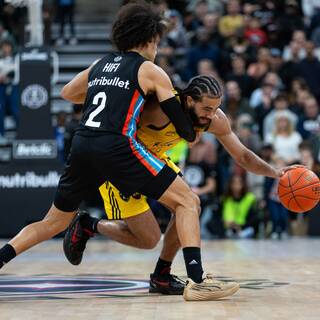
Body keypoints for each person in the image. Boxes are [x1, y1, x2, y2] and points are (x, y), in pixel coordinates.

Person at [0, 2, 239, 302]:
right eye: (157, 41)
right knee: (187, 201)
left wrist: (111, 89)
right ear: (150, 39)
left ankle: (2, 258)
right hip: (116, 145)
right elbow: (183, 127)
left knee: (52, 222)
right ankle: (198, 279)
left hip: (83, 142)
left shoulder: (101, 63)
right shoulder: (150, 70)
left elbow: (67, 93)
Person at [63, 74, 300, 295]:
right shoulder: (158, 110)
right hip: (121, 165)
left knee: (189, 205)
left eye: (216, 108)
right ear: (188, 100)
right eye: (206, 108)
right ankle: (88, 225)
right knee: (148, 239)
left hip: (155, 161)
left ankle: (162, 275)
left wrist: (275, 172)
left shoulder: (214, 119)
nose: (211, 114)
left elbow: (243, 156)